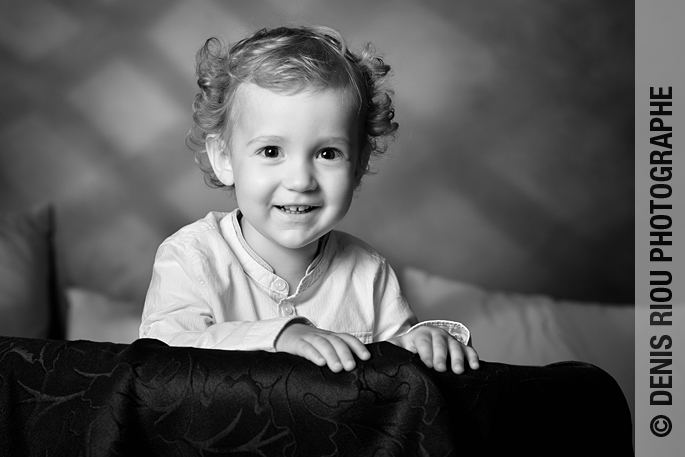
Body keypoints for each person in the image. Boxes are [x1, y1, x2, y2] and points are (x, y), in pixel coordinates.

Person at [139, 25, 480, 375]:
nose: (301, 181)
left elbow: (395, 373)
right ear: (224, 158)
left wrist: (420, 344)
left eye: (328, 153)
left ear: (359, 162)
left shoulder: (369, 273)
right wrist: (280, 337)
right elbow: (161, 355)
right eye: (271, 151)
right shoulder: (191, 256)